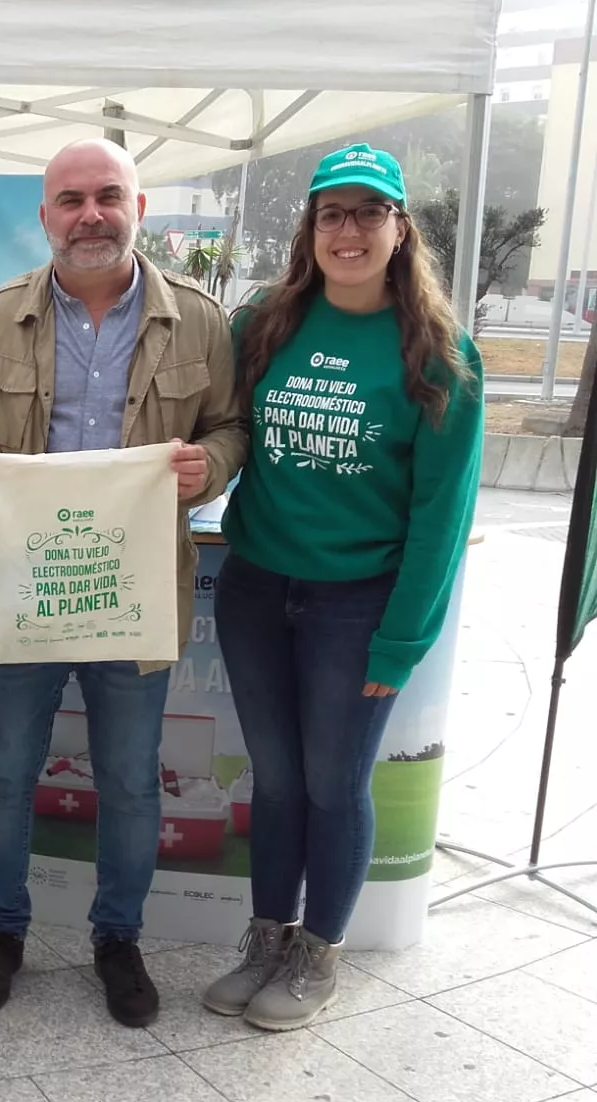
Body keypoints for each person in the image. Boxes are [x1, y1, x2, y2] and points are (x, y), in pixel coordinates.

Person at [0, 140, 247, 1028]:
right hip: (22, 596)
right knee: (1, 777)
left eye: (108, 196)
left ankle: (119, 937)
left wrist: (210, 466)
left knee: (131, 782)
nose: (90, 215)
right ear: (44, 218)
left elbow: (230, 429)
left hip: (136, 596)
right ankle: (2, 930)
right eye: (70, 200)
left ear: (138, 207)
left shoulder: (200, 321)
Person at [203, 145, 483, 1030]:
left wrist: (402, 640)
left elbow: (441, 516)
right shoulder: (267, 323)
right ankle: (266, 937)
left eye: (370, 212)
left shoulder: (438, 353)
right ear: (311, 230)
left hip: (355, 604)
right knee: (276, 782)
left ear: (402, 229)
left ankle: (320, 951)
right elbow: (218, 423)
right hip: (256, 588)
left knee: (334, 784)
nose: (350, 230)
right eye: (333, 214)